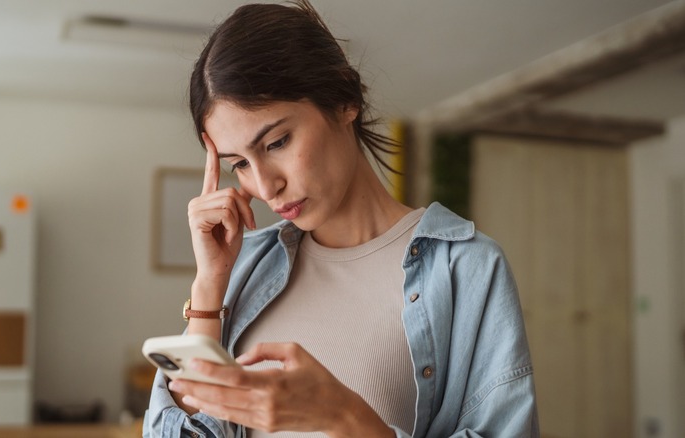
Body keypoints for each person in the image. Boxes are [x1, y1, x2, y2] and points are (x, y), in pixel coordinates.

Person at [144, 1, 538, 437]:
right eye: (239, 163)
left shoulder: (466, 269)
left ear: (344, 99)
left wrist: (343, 418)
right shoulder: (243, 268)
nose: (264, 185)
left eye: (276, 142)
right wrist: (208, 287)